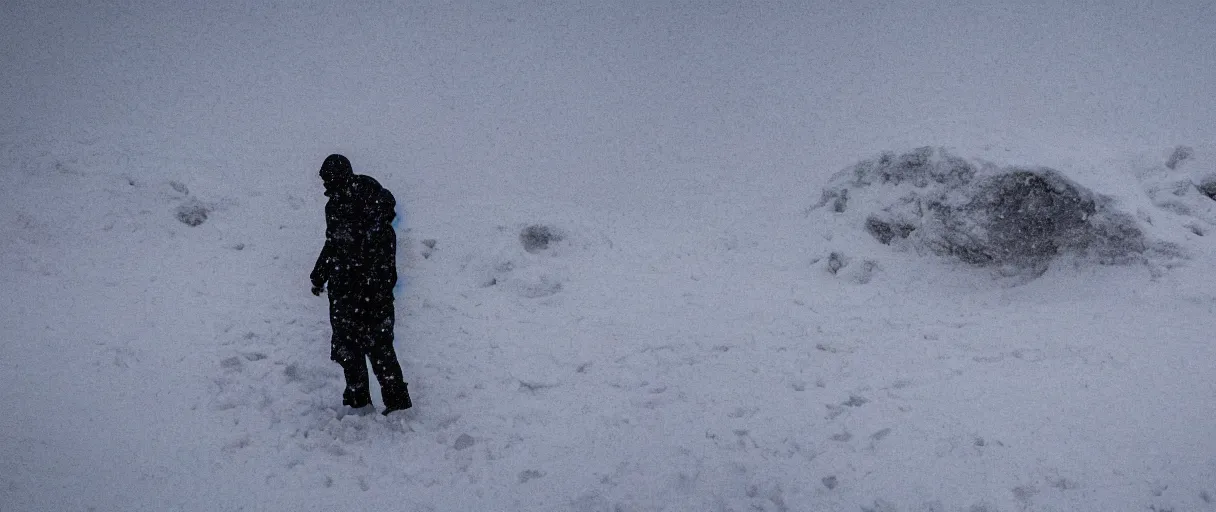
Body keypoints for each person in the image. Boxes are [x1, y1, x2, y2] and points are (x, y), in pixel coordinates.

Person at [310, 154, 412, 415]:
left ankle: (398, 405)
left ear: (340, 177)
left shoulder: (372, 206)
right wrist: (319, 273)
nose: (324, 187)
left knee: (379, 350)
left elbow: (383, 254)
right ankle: (358, 403)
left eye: (327, 180)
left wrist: (376, 289)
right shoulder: (334, 206)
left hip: (370, 294)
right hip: (344, 293)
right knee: (349, 350)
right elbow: (333, 242)